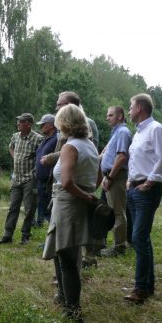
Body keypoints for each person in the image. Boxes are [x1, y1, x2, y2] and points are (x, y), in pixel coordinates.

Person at [42, 104, 100, 323]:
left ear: (65, 123)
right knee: (63, 254)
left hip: (68, 204)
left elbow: (66, 181)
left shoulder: (70, 147)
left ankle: (73, 311)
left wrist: (84, 197)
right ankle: (65, 300)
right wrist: (89, 193)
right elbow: (98, 177)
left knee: (68, 261)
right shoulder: (90, 145)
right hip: (77, 202)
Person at [41, 91, 101, 267]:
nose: (56, 107)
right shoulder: (80, 139)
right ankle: (64, 286)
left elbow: (70, 175)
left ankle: (67, 289)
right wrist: (88, 191)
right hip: (70, 191)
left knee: (67, 250)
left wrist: (85, 194)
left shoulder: (79, 136)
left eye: (59, 104)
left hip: (70, 196)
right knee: (66, 248)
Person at [124, 93, 162, 304]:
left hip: (146, 190)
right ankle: (147, 285)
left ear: (140, 108)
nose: (129, 110)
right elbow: (136, 160)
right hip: (134, 189)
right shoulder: (138, 133)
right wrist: (129, 180)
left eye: (131, 107)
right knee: (140, 238)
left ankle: (141, 288)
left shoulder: (156, 129)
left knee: (138, 237)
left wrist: (149, 182)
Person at [0, 113, 43, 245]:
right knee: (13, 207)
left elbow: (42, 156)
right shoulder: (15, 136)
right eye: (18, 122)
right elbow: (10, 147)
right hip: (16, 177)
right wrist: (15, 156)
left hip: (30, 178)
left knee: (29, 209)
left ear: (29, 124)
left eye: (21, 122)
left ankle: (25, 235)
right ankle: (7, 234)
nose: (18, 124)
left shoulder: (37, 138)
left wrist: (35, 171)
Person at [100, 106, 132, 256]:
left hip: (117, 178)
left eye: (110, 115)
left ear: (120, 116)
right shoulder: (116, 132)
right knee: (113, 211)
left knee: (118, 212)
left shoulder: (123, 132)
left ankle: (119, 247)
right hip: (111, 176)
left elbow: (121, 157)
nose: (107, 118)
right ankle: (116, 245)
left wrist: (110, 177)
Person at [34, 114, 58, 227]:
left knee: (52, 212)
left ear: (51, 125)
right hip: (41, 182)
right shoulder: (46, 139)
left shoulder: (57, 139)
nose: (41, 127)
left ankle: (53, 241)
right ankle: (51, 240)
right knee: (46, 211)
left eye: (43, 125)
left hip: (49, 182)